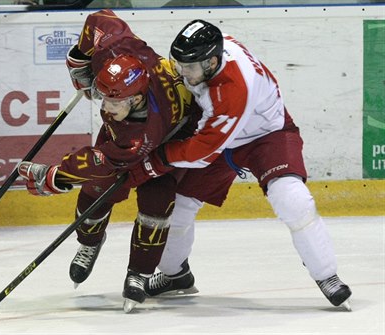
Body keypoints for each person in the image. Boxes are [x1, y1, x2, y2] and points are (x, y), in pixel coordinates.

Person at [130, 19, 352, 310]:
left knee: (292, 198)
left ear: (212, 62)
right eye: (180, 64)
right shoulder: (211, 54)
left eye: (190, 67)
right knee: (180, 206)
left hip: (267, 135)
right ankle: (175, 276)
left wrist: (156, 160)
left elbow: (203, 150)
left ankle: (328, 276)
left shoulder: (234, 87)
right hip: (223, 132)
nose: (183, 73)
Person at [18, 9, 197, 312]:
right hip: (128, 131)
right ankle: (90, 242)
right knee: (97, 193)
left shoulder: (140, 136)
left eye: (113, 101)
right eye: (104, 97)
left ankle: (139, 273)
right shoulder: (119, 53)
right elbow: (100, 19)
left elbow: (100, 163)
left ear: (137, 99)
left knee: (156, 202)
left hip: (173, 142)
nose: (106, 106)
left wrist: (57, 177)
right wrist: (80, 60)